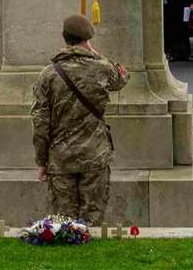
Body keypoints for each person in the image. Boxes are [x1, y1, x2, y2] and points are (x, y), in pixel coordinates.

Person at [30, 13, 130, 224]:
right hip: (95, 154)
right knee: (92, 220)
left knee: (64, 222)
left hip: (61, 157)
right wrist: (98, 56)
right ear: (88, 40)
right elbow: (122, 77)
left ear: (63, 37)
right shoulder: (101, 69)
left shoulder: (49, 74)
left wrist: (41, 161)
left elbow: (40, 123)